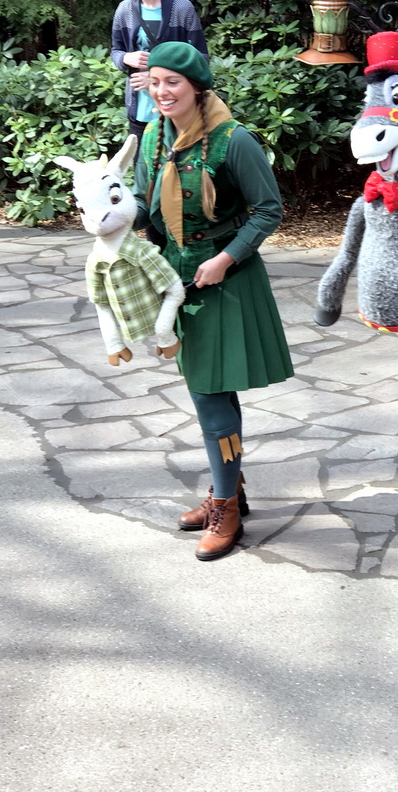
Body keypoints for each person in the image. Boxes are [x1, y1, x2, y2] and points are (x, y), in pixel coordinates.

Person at [133, 42, 293, 561]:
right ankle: (232, 489)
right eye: (155, 82)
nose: (161, 91)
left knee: (208, 394)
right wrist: (107, 211)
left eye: (172, 82)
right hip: (176, 275)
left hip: (226, 277)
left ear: (196, 86)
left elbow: (269, 210)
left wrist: (225, 258)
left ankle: (225, 504)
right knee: (211, 391)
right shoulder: (155, 137)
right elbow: (144, 206)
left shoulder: (232, 140)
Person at [111, 0, 208, 149]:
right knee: (143, 178)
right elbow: (115, 52)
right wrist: (126, 58)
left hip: (178, 115)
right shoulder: (124, 11)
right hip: (139, 115)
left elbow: (201, 60)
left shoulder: (182, 9)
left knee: (176, 177)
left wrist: (156, 80)